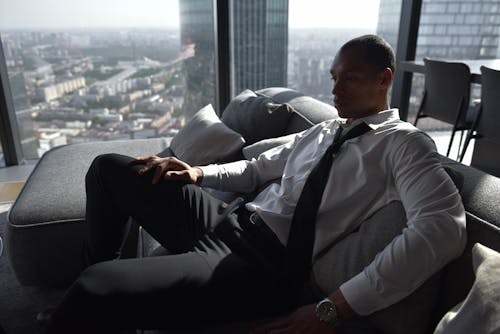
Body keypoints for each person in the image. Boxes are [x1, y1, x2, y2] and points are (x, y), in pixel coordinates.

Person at [42, 35, 466, 334]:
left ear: (384, 79)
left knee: (97, 285)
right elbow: (255, 170)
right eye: (334, 76)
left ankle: (82, 304)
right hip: (226, 221)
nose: (335, 89)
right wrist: (195, 173)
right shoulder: (323, 130)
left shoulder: (404, 145)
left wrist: (332, 309)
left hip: (262, 268)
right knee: (110, 168)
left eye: (349, 78)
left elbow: (442, 229)